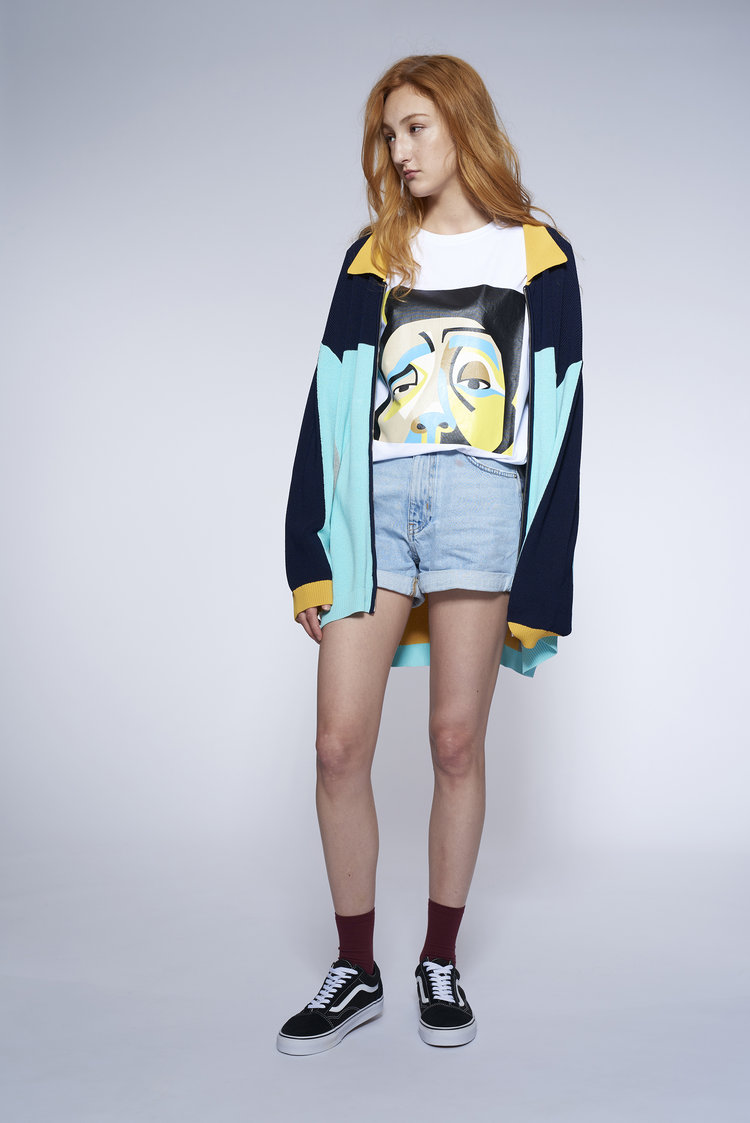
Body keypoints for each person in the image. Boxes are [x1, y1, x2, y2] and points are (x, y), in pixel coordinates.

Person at [277, 54, 583, 1055]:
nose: (399, 150)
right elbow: (326, 404)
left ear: (461, 122)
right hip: (373, 505)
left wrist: (544, 576)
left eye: (414, 127)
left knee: (455, 741)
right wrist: (308, 550)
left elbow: (565, 419)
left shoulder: (537, 255)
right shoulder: (374, 255)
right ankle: (355, 968)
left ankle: (438, 959)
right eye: (388, 134)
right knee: (338, 745)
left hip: (482, 501)